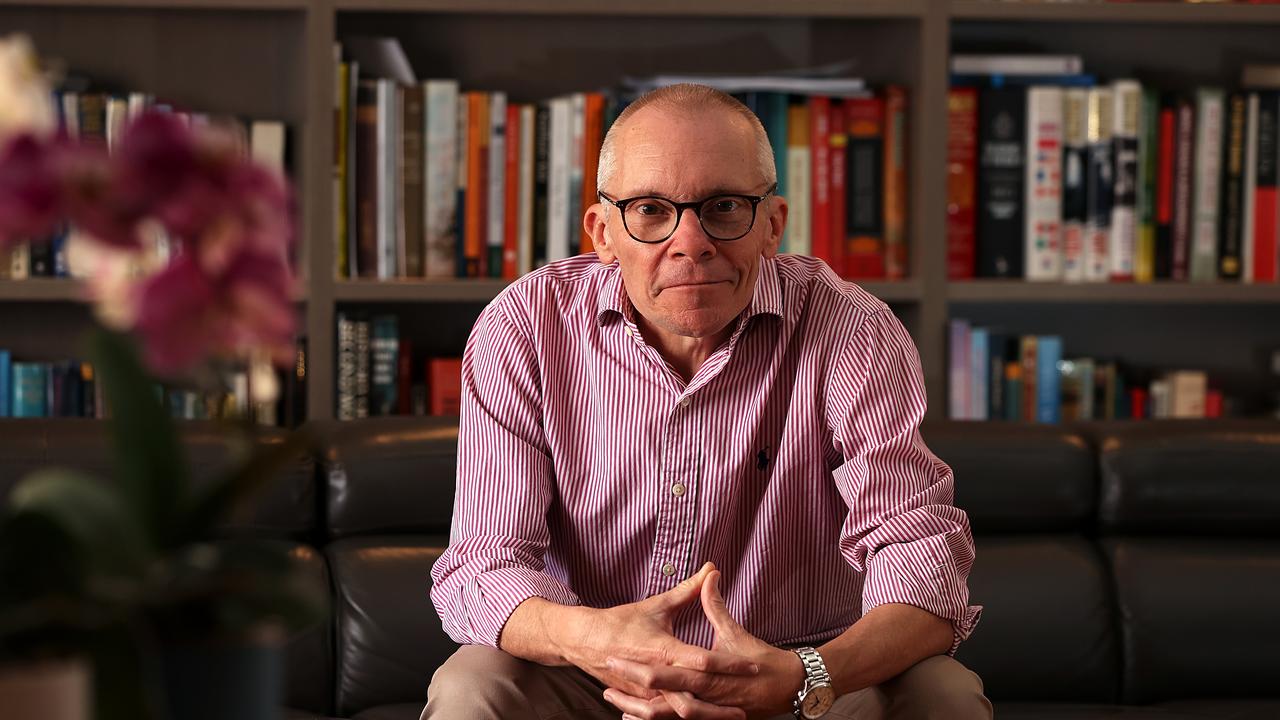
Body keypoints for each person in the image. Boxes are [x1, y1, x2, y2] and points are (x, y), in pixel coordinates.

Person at [425, 83, 990, 720]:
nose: (690, 242)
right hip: (598, 677)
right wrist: (599, 640)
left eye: (724, 207)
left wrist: (802, 675)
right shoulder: (526, 326)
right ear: (603, 232)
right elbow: (483, 564)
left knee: (941, 693)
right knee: (474, 683)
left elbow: (921, 555)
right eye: (650, 210)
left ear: (773, 225)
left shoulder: (851, 328)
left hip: (799, 679)